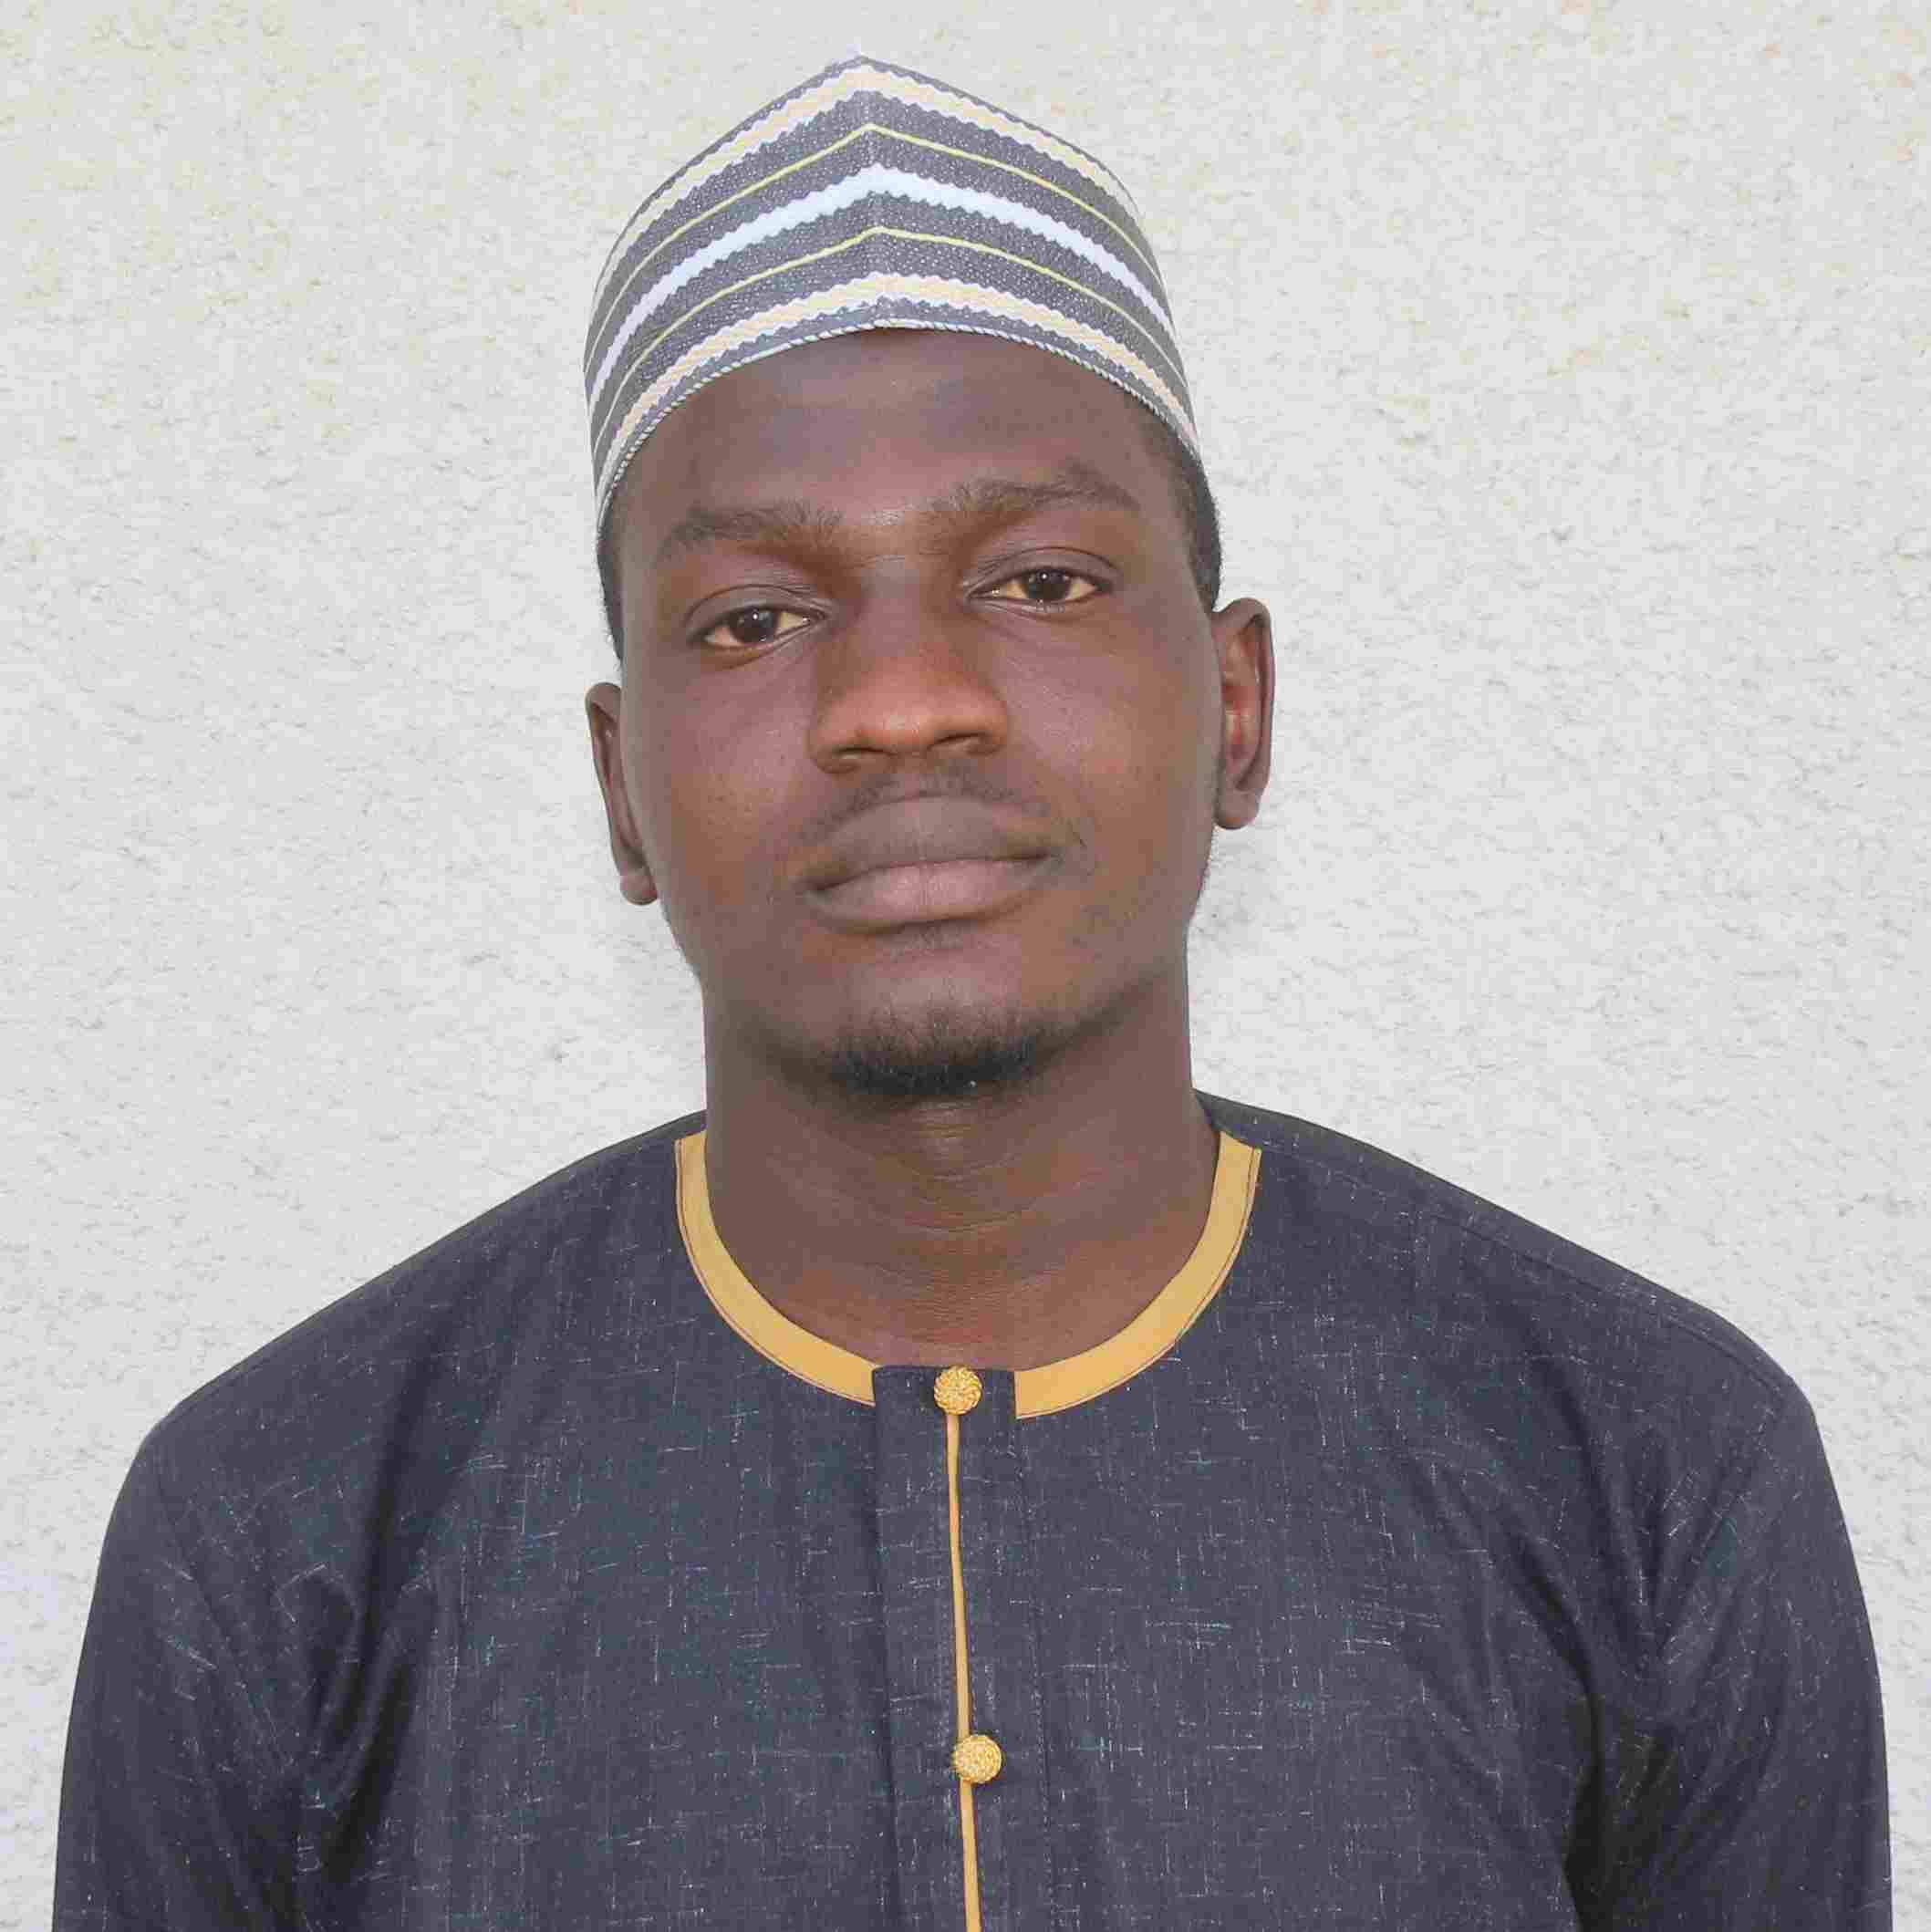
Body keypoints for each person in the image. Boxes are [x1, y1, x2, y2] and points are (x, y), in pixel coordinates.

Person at [54, 54, 1888, 1931]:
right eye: (756, 618)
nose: (901, 700)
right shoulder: (281, 1532)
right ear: (621, 788)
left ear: (1236, 709)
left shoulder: (1649, 1466)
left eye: (1040, 583)